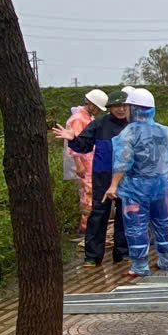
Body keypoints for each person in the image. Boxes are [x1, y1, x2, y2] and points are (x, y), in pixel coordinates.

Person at [105, 88, 168, 277]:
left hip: (136, 187)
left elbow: (123, 161)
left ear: (133, 109)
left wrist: (114, 185)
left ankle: (140, 265)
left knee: (136, 225)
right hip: (159, 185)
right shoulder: (166, 132)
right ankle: (166, 259)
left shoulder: (129, 133)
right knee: (162, 222)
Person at [55, 89, 132, 266]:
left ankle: (123, 254)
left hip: (127, 176)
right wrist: (73, 139)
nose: (121, 109)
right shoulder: (100, 124)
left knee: (124, 214)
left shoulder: (132, 125)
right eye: (116, 106)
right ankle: (92, 256)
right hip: (102, 176)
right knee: (98, 214)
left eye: (124, 106)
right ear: (110, 108)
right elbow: (84, 146)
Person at [64, 89, 107, 233]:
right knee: (88, 195)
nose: (99, 112)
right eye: (98, 108)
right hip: (84, 163)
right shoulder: (78, 118)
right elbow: (74, 142)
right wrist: (79, 165)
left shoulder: (86, 117)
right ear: (91, 104)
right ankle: (86, 229)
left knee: (91, 193)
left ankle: (91, 227)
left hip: (90, 161)